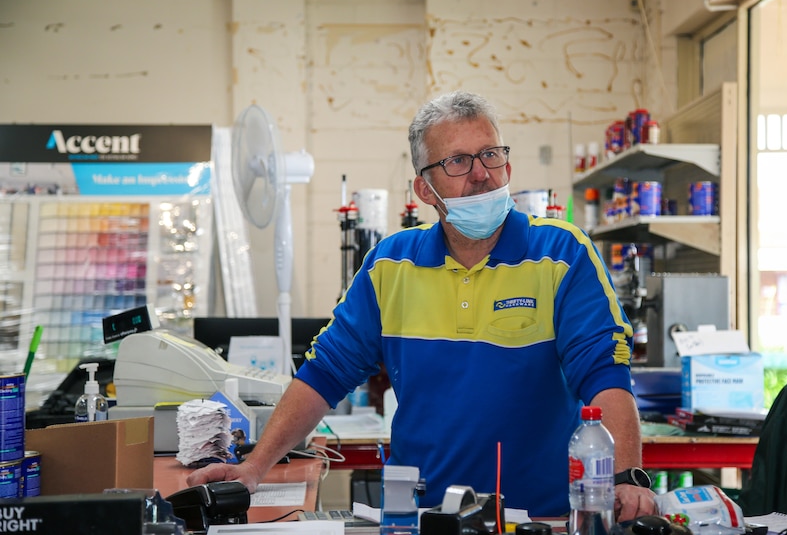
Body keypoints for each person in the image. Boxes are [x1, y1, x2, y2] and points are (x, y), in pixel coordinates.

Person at [188, 90, 656, 520]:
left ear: (507, 166)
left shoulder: (562, 253)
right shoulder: (390, 265)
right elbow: (324, 374)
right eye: (457, 161)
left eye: (490, 154)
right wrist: (252, 468)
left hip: (542, 516)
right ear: (425, 191)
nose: (481, 173)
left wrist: (627, 477)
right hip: (427, 516)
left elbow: (604, 375)